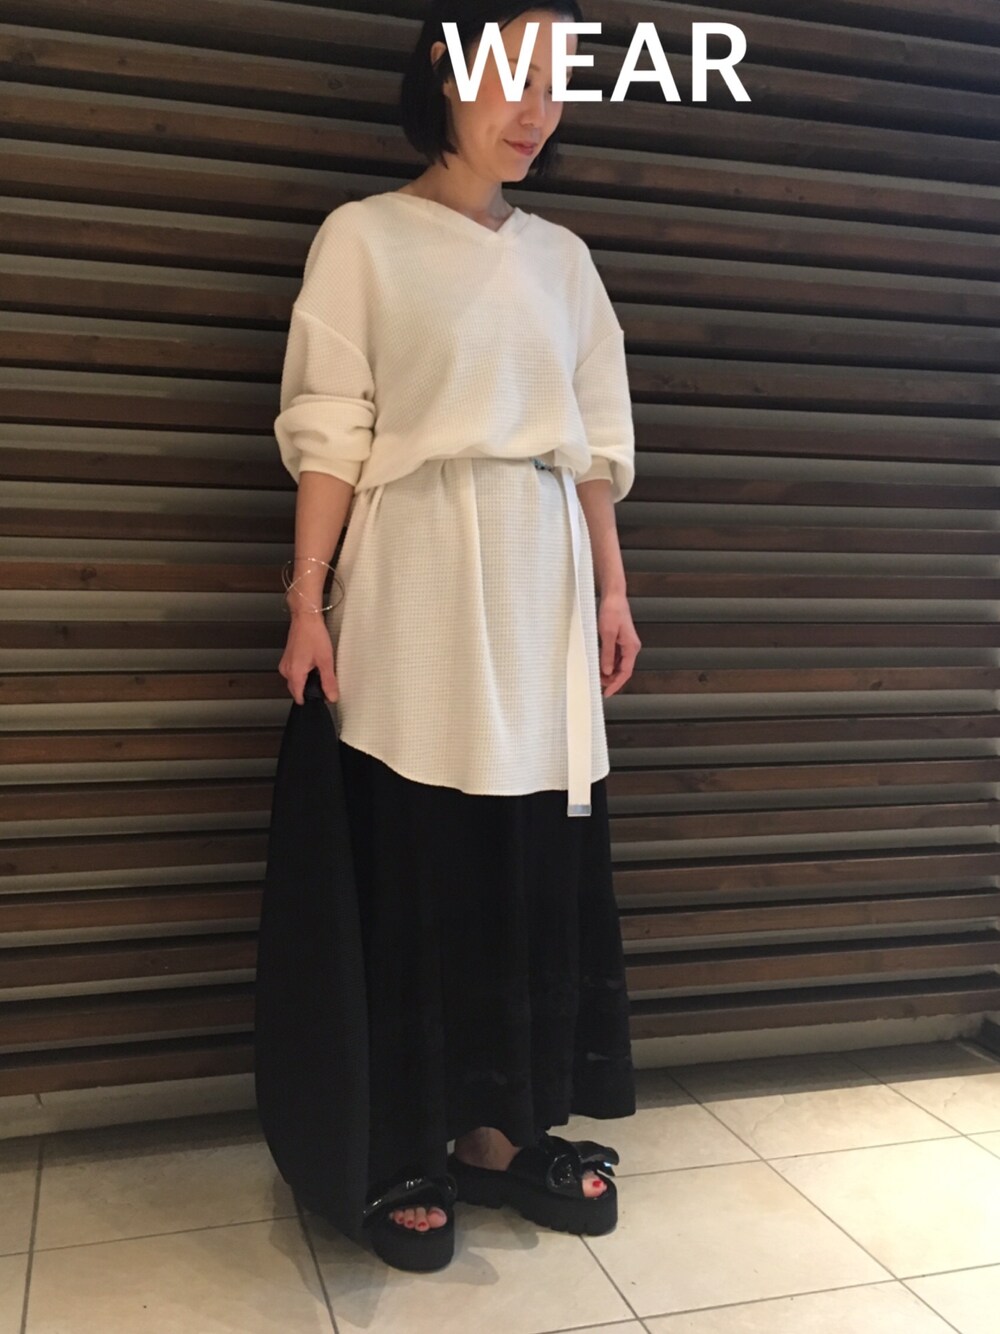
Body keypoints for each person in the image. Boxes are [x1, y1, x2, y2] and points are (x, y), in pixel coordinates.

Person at [272, 0, 641, 1272]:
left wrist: (611, 590)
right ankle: (401, 1140)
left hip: (542, 575)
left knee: (528, 851)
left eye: (559, 80)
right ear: (445, 66)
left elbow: (594, 444)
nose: (538, 107)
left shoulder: (564, 260)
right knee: (417, 848)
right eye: (514, 73)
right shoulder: (363, 238)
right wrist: (306, 599)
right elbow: (331, 428)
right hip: (419, 569)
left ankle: (499, 1130)